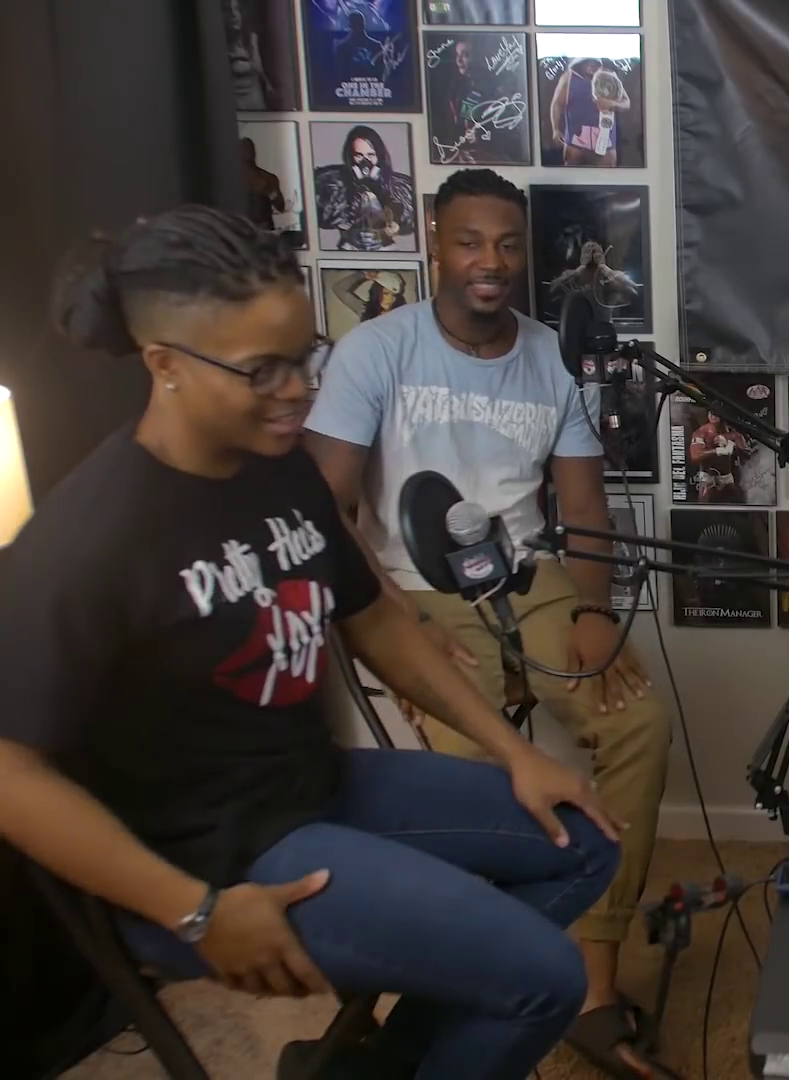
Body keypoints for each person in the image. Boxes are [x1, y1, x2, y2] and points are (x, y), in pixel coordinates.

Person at [0, 205, 621, 1080]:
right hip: (209, 860)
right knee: (543, 979)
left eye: (305, 359)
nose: (297, 391)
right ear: (165, 364)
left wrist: (514, 753)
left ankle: (380, 1067)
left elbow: (371, 616)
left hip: (313, 788)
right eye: (263, 370)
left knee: (584, 841)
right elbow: (10, 774)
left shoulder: (279, 466)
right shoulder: (93, 536)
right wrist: (194, 911)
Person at [304, 169, 672, 1079]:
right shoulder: (375, 351)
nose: (490, 262)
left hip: (528, 578)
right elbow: (326, 511)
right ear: (436, 242)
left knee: (640, 723)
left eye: (507, 245)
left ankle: (592, 984)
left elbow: (582, 504)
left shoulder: (548, 356)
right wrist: (395, 631)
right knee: (479, 788)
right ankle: (484, 983)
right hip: (411, 590)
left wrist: (594, 611)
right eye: (470, 242)